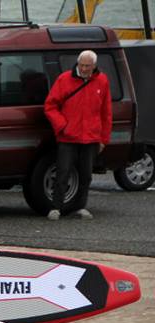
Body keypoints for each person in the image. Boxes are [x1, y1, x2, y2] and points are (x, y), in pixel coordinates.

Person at [44, 49, 111, 221]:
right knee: (63, 172)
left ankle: (80, 207)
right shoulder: (64, 79)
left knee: (86, 175)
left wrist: (104, 139)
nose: (84, 69)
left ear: (94, 66)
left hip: (90, 137)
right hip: (68, 136)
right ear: (77, 63)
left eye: (88, 66)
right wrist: (62, 126)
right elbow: (50, 106)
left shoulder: (102, 81)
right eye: (82, 65)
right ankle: (56, 207)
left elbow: (106, 112)